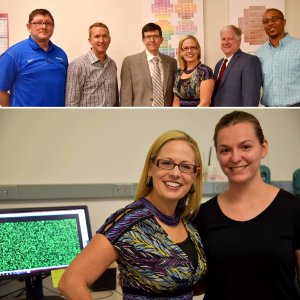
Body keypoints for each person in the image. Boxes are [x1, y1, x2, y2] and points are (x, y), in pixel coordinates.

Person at [58, 130, 207, 299]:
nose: (175, 173)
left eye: (186, 167)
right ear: (151, 168)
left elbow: (190, 285)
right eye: (166, 163)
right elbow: (70, 282)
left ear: (195, 175)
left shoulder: (188, 223)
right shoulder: (128, 222)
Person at [194, 111, 300, 299]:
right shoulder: (203, 216)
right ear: (218, 154)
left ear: (264, 147)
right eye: (225, 150)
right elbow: (197, 286)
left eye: (245, 147)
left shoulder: (293, 210)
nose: (235, 158)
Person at [0, 9, 68, 107]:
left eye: (48, 23)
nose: (44, 26)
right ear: (29, 27)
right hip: (26, 120)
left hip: (56, 118)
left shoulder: (61, 54)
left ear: (53, 27)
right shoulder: (13, 55)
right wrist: (15, 111)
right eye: (38, 23)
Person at [120, 23, 177, 106]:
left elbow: (174, 93)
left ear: (161, 39)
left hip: (166, 115)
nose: (152, 40)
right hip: (140, 115)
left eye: (156, 36)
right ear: (143, 40)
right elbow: (125, 96)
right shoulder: (130, 62)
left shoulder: (171, 62)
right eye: (148, 37)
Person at [65, 22, 118, 107]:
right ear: (90, 40)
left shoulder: (112, 65)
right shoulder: (77, 66)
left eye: (105, 36)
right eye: (97, 36)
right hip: (87, 119)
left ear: (109, 39)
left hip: (110, 118)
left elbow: (115, 98)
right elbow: (71, 103)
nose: (101, 40)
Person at [256, 8, 300, 107]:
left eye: (274, 19)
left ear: (284, 21)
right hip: (269, 110)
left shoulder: (298, 47)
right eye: (266, 21)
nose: (270, 24)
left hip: (296, 108)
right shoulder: (260, 53)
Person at [211, 25, 262, 107]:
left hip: (237, 116)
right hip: (218, 114)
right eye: (223, 39)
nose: (226, 42)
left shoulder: (250, 61)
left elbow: (251, 98)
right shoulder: (219, 64)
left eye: (230, 39)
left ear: (239, 41)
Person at [172, 35, 214, 107]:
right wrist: (175, 116)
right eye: (185, 48)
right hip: (180, 116)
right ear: (181, 52)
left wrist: (190, 118)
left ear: (198, 50)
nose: (189, 51)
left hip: (199, 115)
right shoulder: (179, 72)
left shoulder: (205, 71)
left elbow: (204, 103)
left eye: (193, 47)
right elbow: (176, 100)